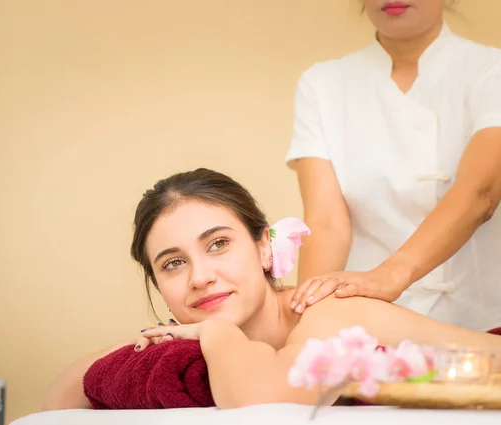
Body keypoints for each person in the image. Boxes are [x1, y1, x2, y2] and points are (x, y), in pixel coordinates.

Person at [42, 168, 501, 411]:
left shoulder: (328, 311)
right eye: (174, 263)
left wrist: (215, 335)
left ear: (265, 247)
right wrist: (143, 340)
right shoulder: (210, 339)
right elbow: (62, 395)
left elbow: (263, 404)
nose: (199, 276)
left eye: (219, 244)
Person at [285, 0, 501, 331]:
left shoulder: (491, 70)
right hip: (374, 324)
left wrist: (390, 275)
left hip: (484, 316)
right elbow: (326, 221)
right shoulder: (323, 84)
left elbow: (481, 193)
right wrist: (309, 321)